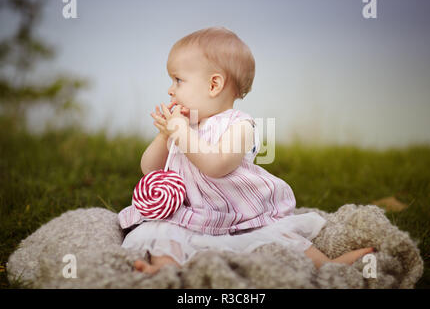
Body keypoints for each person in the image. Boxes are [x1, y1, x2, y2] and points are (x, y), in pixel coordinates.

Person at [118, 27, 374, 275]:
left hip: (238, 218)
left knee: (278, 236)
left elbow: (216, 165)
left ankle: (329, 265)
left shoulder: (239, 125)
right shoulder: (183, 126)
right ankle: (166, 270)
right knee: (163, 231)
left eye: (178, 80)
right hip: (191, 215)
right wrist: (165, 135)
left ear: (214, 84)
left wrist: (180, 132)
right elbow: (150, 170)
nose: (170, 90)